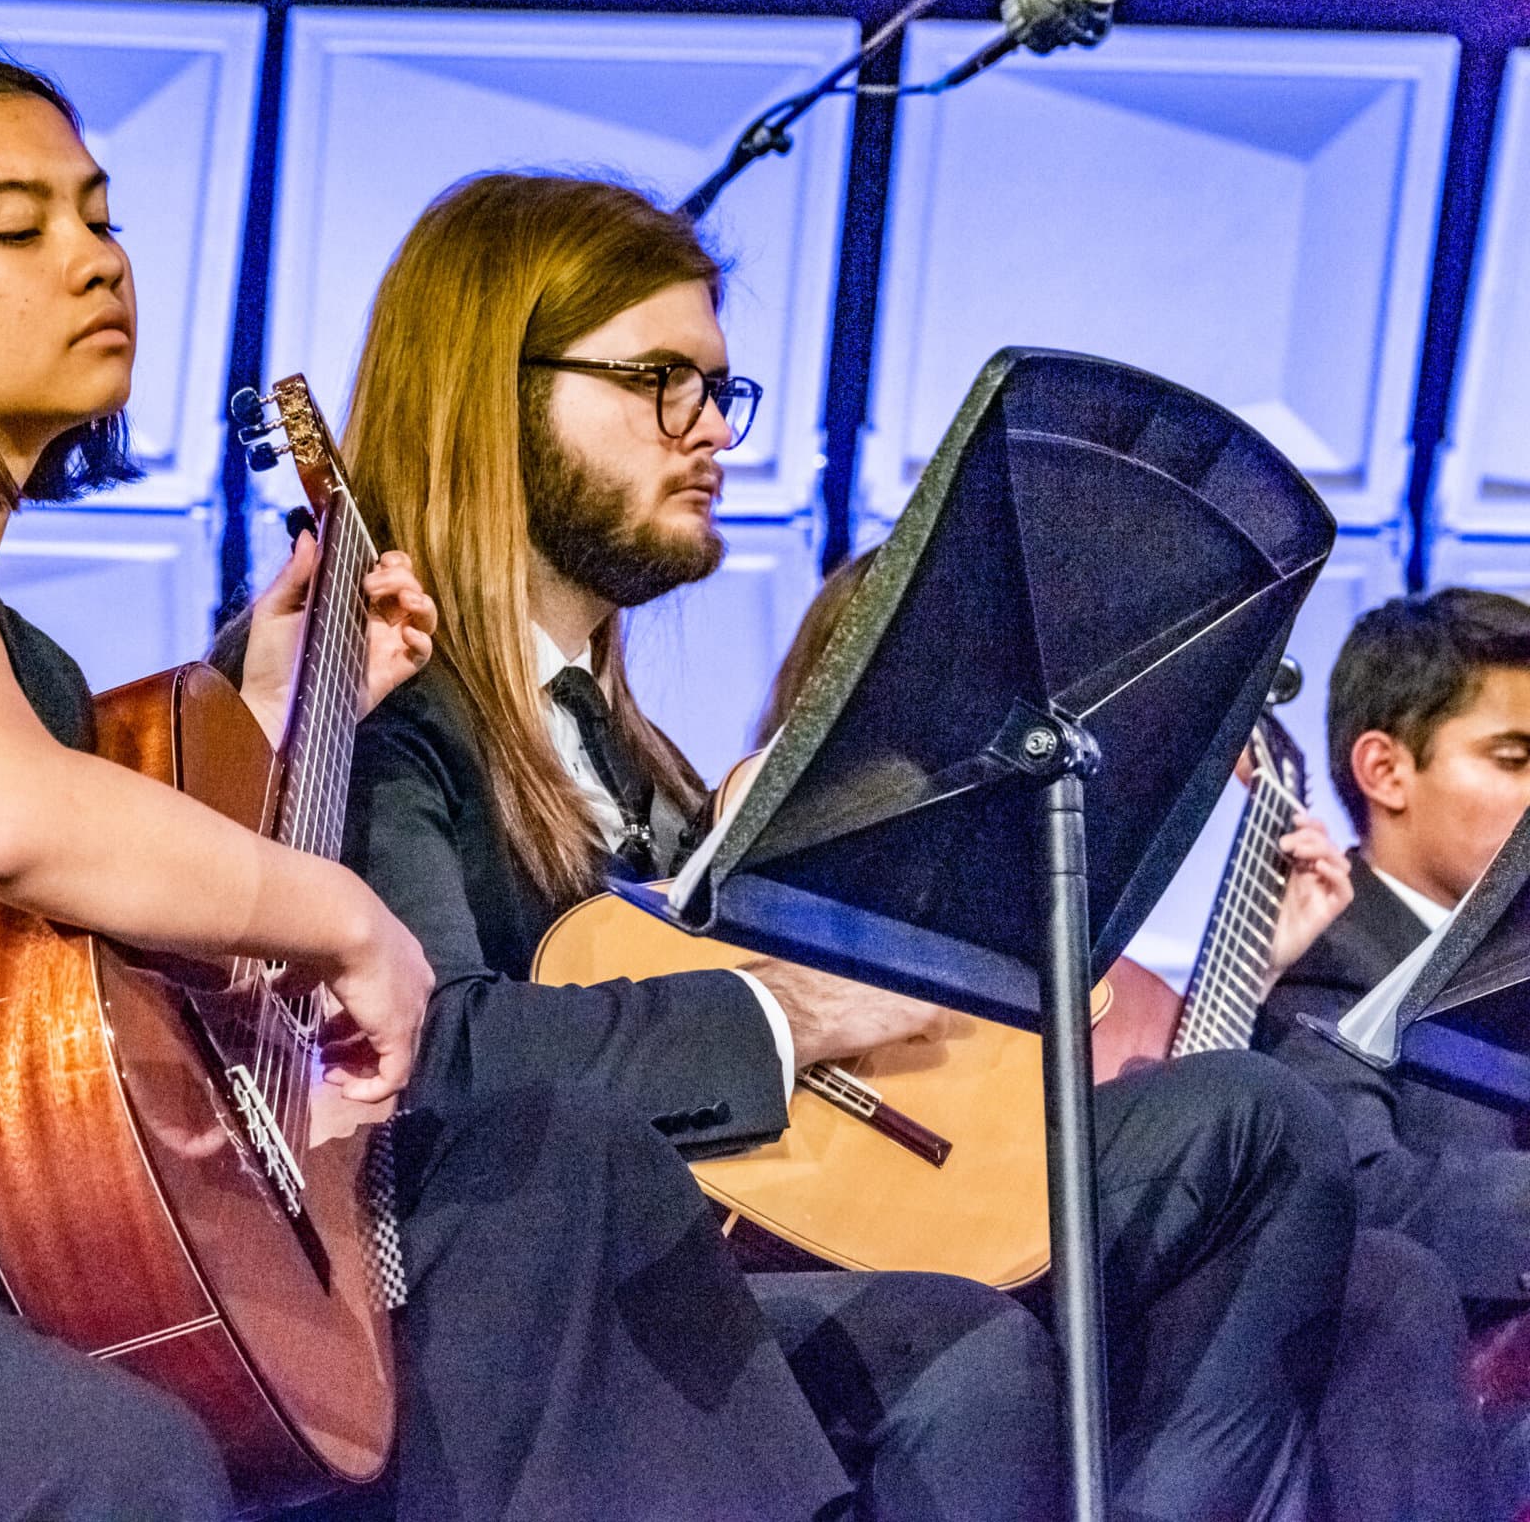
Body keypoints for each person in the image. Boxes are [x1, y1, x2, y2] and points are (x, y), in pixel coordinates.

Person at [0, 51, 930, 1522]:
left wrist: (267, 705)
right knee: (120, 1470)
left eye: (101, 219)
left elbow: (43, 954)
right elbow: (5, 821)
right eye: (19, 231)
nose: (95, 263)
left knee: (489, 1245)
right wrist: (342, 917)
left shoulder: (20, 662)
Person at [330, 170, 1360, 1522]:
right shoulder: (384, 721)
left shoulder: (646, 763)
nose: (709, 433)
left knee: (1265, 1131)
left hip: (794, 1201)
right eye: (660, 381)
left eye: (717, 390)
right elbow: (435, 1051)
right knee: (966, 1352)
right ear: (490, 390)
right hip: (582, 1282)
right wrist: (786, 1013)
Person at [779, 556, 1490, 1522]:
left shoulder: (1096, 961)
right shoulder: (808, 873)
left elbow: (1172, 1150)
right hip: (889, 1224)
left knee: (1386, 1278)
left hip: (1069, 1252)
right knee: (1273, 1129)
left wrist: (1250, 975)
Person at [1259, 587, 1530, 1515]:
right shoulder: (1322, 964)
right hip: (1448, 1421)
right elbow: (1359, 1195)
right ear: (1385, 769)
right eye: (1516, 757)